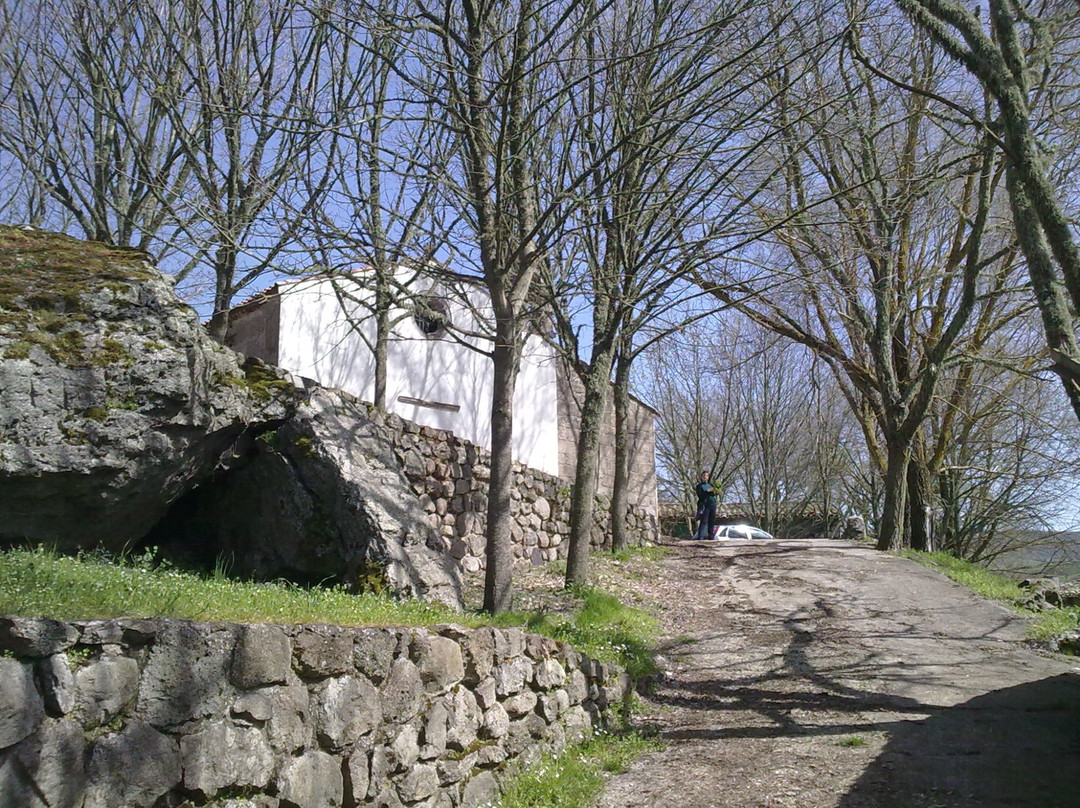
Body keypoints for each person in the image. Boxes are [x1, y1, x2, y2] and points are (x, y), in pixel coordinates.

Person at [694, 470, 718, 540]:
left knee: (712, 521)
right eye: (704, 476)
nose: (705, 477)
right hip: (705, 505)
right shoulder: (699, 486)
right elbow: (700, 495)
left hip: (712, 504)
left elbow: (715, 493)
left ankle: (711, 536)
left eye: (706, 476)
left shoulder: (711, 485)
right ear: (701, 477)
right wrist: (707, 491)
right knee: (704, 521)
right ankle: (700, 536)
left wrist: (715, 491)